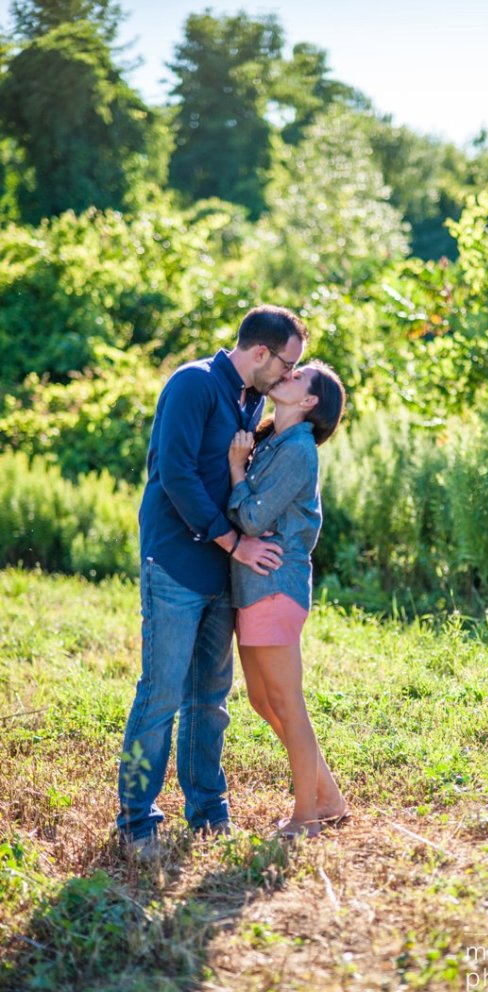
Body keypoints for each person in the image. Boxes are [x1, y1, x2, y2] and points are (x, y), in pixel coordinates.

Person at [117, 305, 308, 858]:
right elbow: (171, 472)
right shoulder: (193, 383)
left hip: (224, 575)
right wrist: (235, 543)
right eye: (287, 363)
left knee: (210, 699)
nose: (289, 375)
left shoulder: (250, 401)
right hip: (176, 565)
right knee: (160, 695)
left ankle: (207, 811)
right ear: (259, 353)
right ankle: (135, 823)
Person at [227, 360, 349, 840]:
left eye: (299, 377)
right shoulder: (273, 441)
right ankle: (330, 796)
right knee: (262, 699)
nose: (288, 374)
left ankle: (306, 818)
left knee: (287, 703)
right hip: (254, 587)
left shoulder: (298, 449)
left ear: (309, 401)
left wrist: (237, 470)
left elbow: (253, 520)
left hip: (276, 587)